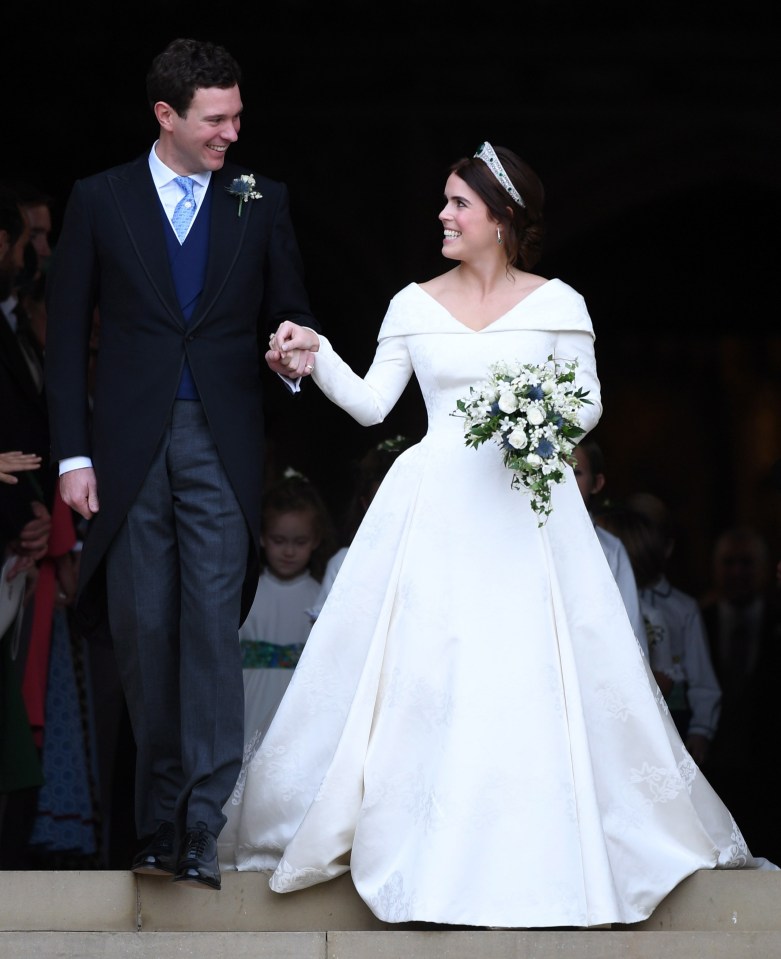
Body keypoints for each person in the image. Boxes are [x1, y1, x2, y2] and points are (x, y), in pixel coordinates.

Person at [232, 142, 775, 927]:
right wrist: (314, 356)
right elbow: (371, 406)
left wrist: (538, 420)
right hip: (436, 505)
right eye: (445, 201)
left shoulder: (560, 303)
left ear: (503, 217)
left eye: (459, 204)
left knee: (528, 665)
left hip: (526, 503)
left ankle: (537, 847)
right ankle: (421, 840)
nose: (443, 215)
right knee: (431, 666)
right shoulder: (412, 303)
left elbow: (585, 402)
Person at [43, 38, 319, 891]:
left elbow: (292, 310)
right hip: (124, 451)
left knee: (208, 631)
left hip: (222, 440)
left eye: (237, 114)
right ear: (166, 116)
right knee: (144, 630)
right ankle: (155, 824)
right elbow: (63, 331)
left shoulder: (260, 200)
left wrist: (289, 347)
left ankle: (201, 827)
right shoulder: (100, 199)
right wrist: (71, 456)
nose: (233, 132)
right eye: (216, 118)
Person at [218, 472, 335, 867]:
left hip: (292, 703)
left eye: (299, 542)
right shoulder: (244, 592)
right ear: (263, 538)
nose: (288, 551)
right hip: (249, 697)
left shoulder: (320, 593)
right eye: (279, 541)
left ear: (316, 542)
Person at [626, 491, 721, 767]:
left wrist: (701, 729)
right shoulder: (612, 601)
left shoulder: (683, 607)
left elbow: (701, 676)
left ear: (666, 547)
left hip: (675, 717)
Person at [308, 435, 413, 622]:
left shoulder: (427, 559)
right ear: (365, 504)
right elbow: (322, 630)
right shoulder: (344, 562)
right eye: (381, 504)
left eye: (401, 504)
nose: (393, 514)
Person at [570, 438, 648, 656]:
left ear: (597, 483)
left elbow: (630, 628)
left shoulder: (609, 549)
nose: (563, 480)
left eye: (576, 473)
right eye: (556, 469)